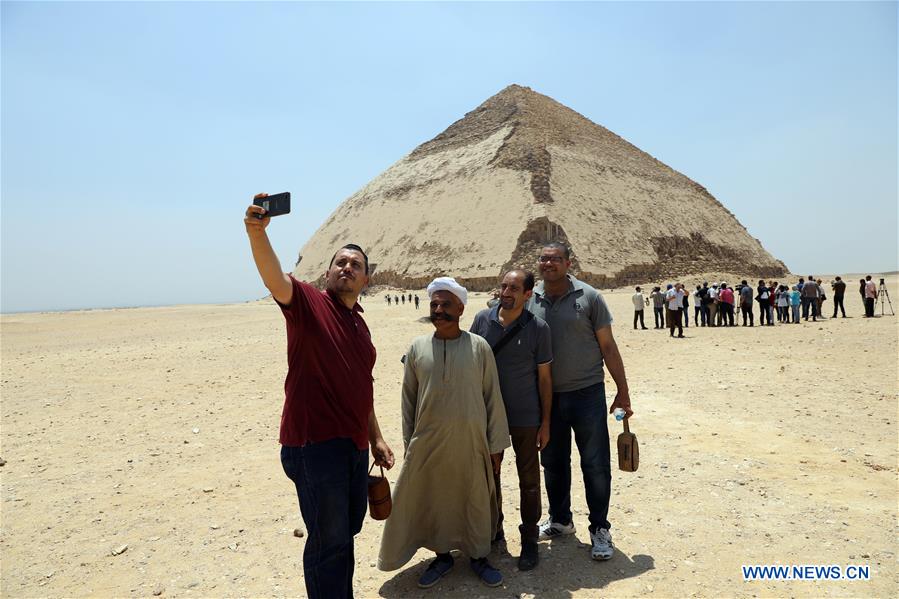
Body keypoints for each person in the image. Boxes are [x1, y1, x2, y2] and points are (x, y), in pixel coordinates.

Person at [244, 197, 394, 599]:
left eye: (356, 265)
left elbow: (362, 387)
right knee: (329, 541)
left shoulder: (360, 328)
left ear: (366, 280)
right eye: (340, 263)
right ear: (327, 272)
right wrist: (257, 233)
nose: (347, 268)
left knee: (346, 533)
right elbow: (276, 280)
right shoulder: (309, 304)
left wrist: (375, 436)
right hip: (314, 445)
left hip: (352, 446)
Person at [379, 277, 510, 588]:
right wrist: (411, 442)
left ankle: (478, 556)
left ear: (461, 309)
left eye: (445, 305)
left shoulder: (479, 347)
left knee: (474, 498)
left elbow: (493, 397)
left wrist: (496, 446)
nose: (438, 310)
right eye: (434, 305)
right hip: (429, 445)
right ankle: (442, 556)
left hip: (471, 443)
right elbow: (408, 401)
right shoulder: (417, 348)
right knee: (436, 500)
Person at [527, 243, 633, 561]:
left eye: (555, 259)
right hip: (547, 398)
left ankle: (600, 528)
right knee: (553, 463)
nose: (549, 264)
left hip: (587, 393)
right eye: (544, 259)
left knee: (596, 465)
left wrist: (622, 390)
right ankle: (561, 520)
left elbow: (608, 347)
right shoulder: (529, 300)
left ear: (568, 263)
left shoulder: (590, 297)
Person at [469, 270, 552, 570]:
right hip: (489, 415)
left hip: (525, 417)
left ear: (528, 294)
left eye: (514, 288)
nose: (506, 292)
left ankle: (529, 539)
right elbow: (471, 364)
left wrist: (546, 422)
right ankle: (494, 532)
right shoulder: (482, 320)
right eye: (504, 286)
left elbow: (545, 379)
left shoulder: (538, 328)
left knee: (529, 480)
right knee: (489, 477)